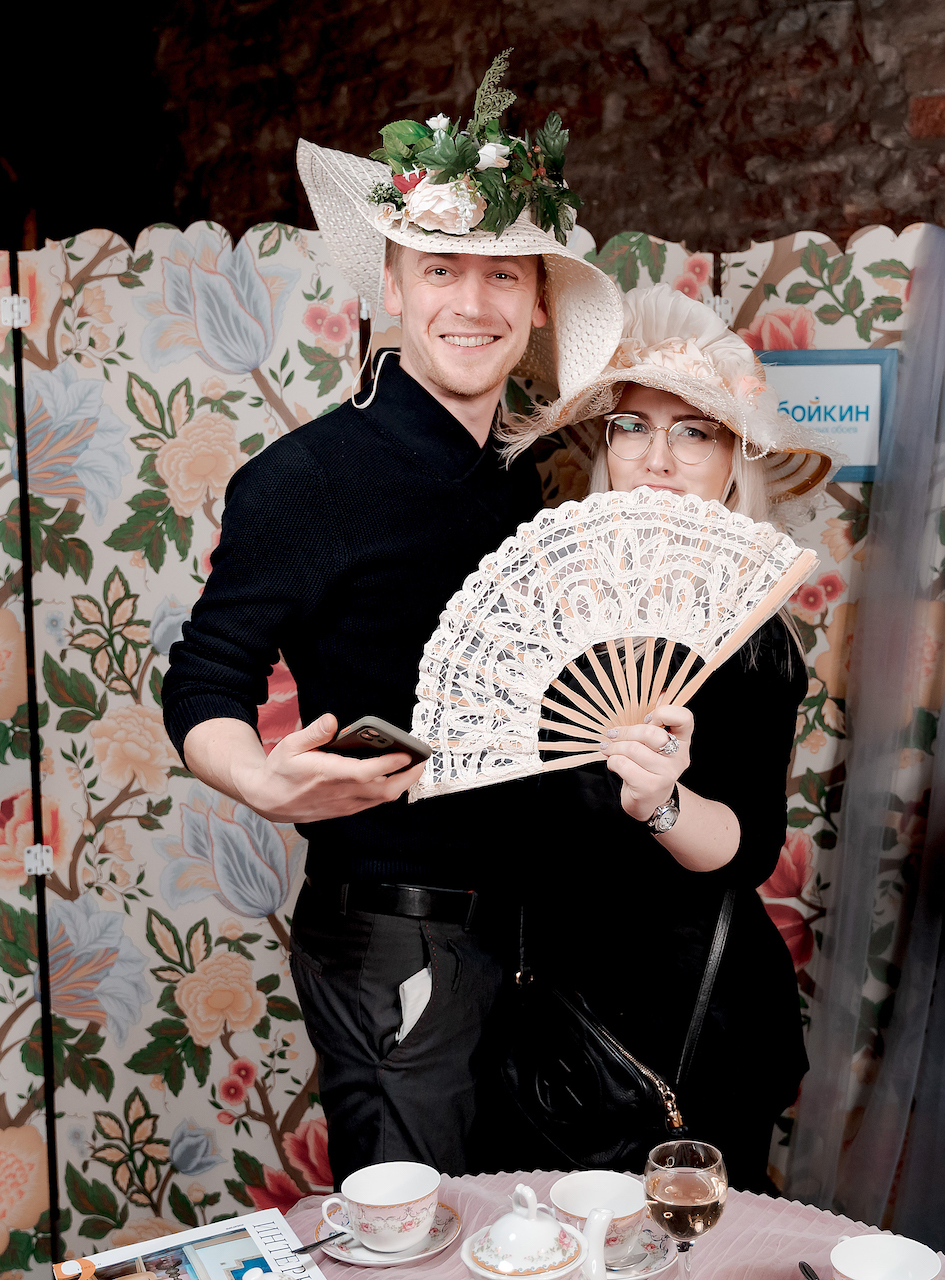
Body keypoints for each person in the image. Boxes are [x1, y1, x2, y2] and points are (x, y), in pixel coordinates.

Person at [160, 79, 622, 1183]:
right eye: (441, 269)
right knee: (413, 1236)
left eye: (502, 273)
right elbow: (204, 677)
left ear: (540, 300)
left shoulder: (536, 474)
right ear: (393, 288)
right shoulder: (307, 478)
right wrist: (260, 780)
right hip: (395, 934)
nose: (473, 301)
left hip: (540, 933)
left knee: (524, 1230)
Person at [493, 284, 837, 1192]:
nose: (657, 456)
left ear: (733, 461)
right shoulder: (550, 600)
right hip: (552, 1002)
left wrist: (662, 803)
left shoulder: (750, 636)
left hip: (687, 1018)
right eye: (632, 426)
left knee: (688, 1250)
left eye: (694, 432)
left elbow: (749, 849)